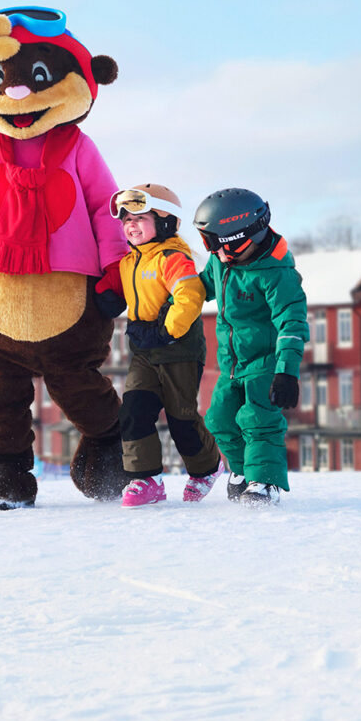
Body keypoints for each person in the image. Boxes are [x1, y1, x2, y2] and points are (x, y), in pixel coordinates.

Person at [108, 184, 223, 507]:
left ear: (165, 222)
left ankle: (206, 469)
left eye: (140, 218)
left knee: (180, 417)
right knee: (134, 410)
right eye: (126, 220)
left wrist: (168, 330)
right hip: (144, 350)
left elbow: (190, 295)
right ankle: (146, 479)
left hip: (178, 349)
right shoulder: (130, 261)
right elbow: (127, 291)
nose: (131, 225)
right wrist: (106, 298)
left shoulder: (172, 257)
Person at [193, 187, 306, 506]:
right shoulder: (221, 261)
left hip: (266, 364)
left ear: (244, 237)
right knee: (218, 420)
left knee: (258, 421)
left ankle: (265, 481)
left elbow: (292, 324)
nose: (215, 252)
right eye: (208, 244)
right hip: (231, 363)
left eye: (219, 244)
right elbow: (204, 286)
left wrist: (287, 372)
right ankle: (243, 472)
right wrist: (173, 300)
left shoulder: (277, 274)